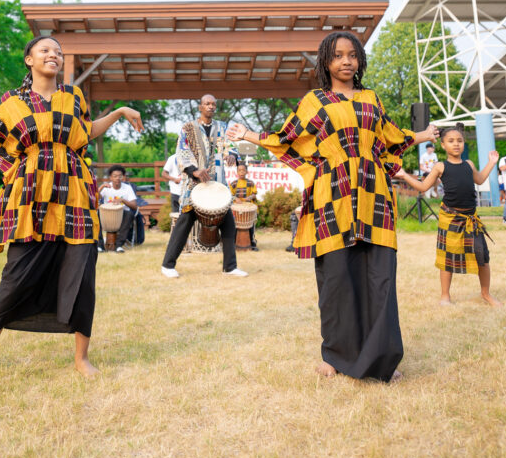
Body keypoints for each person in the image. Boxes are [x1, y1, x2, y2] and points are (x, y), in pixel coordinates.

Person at [0, 36, 143, 377]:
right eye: (46, 50)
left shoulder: (73, 97)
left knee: (81, 274)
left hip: (75, 192)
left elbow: (85, 133)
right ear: (29, 60)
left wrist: (120, 112)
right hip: (31, 193)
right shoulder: (12, 102)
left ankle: (81, 358)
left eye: (58, 52)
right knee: (16, 274)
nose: (54, 55)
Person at [227, 31, 438, 383]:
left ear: (359, 60)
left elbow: (390, 138)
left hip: (375, 198)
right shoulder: (315, 101)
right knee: (337, 279)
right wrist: (250, 135)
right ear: (326, 61)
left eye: (352, 55)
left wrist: (421, 135)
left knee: (379, 279)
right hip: (332, 198)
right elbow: (287, 138)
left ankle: (383, 359)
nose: (346, 61)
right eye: (338, 55)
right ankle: (335, 356)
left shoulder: (372, 98)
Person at [395, 124, 501, 306]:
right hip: (450, 217)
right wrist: (405, 176)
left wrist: (491, 162)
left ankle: (486, 293)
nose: (456, 144)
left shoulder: (469, 164)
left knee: (482, 256)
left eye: (459, 141)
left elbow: (480, 179)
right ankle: (445, 295)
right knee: (447, 258)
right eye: (451, 141)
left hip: (471, 218)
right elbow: (423, 187)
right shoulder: (440, 166)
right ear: (443, 145)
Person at [161, 94, 247, 278]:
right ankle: (167, 265)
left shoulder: (222, 127)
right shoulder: (188, 128)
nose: (211, 106)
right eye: (207, 104)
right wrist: (194, 170)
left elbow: (229, 146)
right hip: (194, 186)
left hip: (217, 186)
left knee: (229, 225)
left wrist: (232, 155)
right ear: (200, 107)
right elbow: (181, 151)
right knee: (183, 225)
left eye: (213, 104)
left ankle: (230, 267)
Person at [98, 164, 138, 252]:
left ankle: (119, 245)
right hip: (106, 216)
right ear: (110, 177)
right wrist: (101, 187)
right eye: (115, 176)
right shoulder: (107, 187)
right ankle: (100, 246)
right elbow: (95, 198)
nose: (117, 178)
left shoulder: (127, 188)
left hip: (122, 216)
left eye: (120, 176)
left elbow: (134, 206)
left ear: (123, 177)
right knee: (96, 214)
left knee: (129, 214)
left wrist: (122, 200)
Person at [229, 163, 259, 250]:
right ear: (237, 172)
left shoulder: (250, 183)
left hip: (248, 209)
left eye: (243, 170)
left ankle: (252, 243)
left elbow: (254, 194)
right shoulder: (234, 183)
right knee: (234, 226)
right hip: (236, 210)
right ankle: (234, 243)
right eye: (239, 170)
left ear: (247, 172)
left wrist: (248, 198)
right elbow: (230, 194)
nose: (241, 172)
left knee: (251, 227)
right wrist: (236, 198)